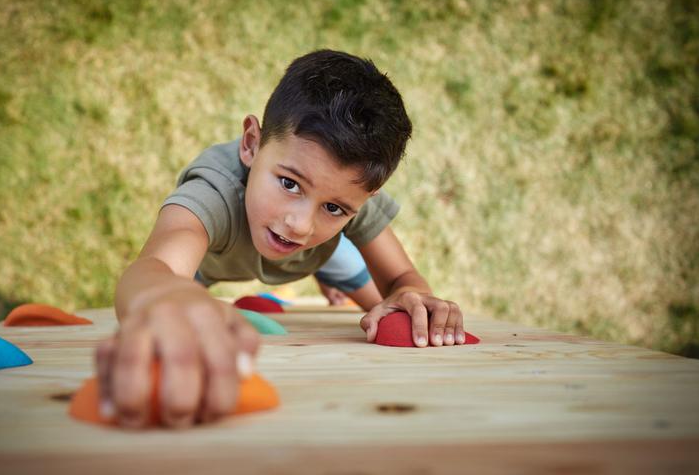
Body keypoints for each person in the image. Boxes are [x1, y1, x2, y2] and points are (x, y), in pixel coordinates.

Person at [97, 49, 467, 429]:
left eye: (335, 208)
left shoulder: (349, 193)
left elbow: (403, 279)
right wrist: (163, 295)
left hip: (318, 255)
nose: (300, 225)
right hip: (213, 260)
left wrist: (413, 294)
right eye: (289, 184)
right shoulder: (215, 190)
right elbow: (154, 267)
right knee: (181, 311)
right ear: (251, 144)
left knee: (387, 316)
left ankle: (328, 271)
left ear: (366, 199)